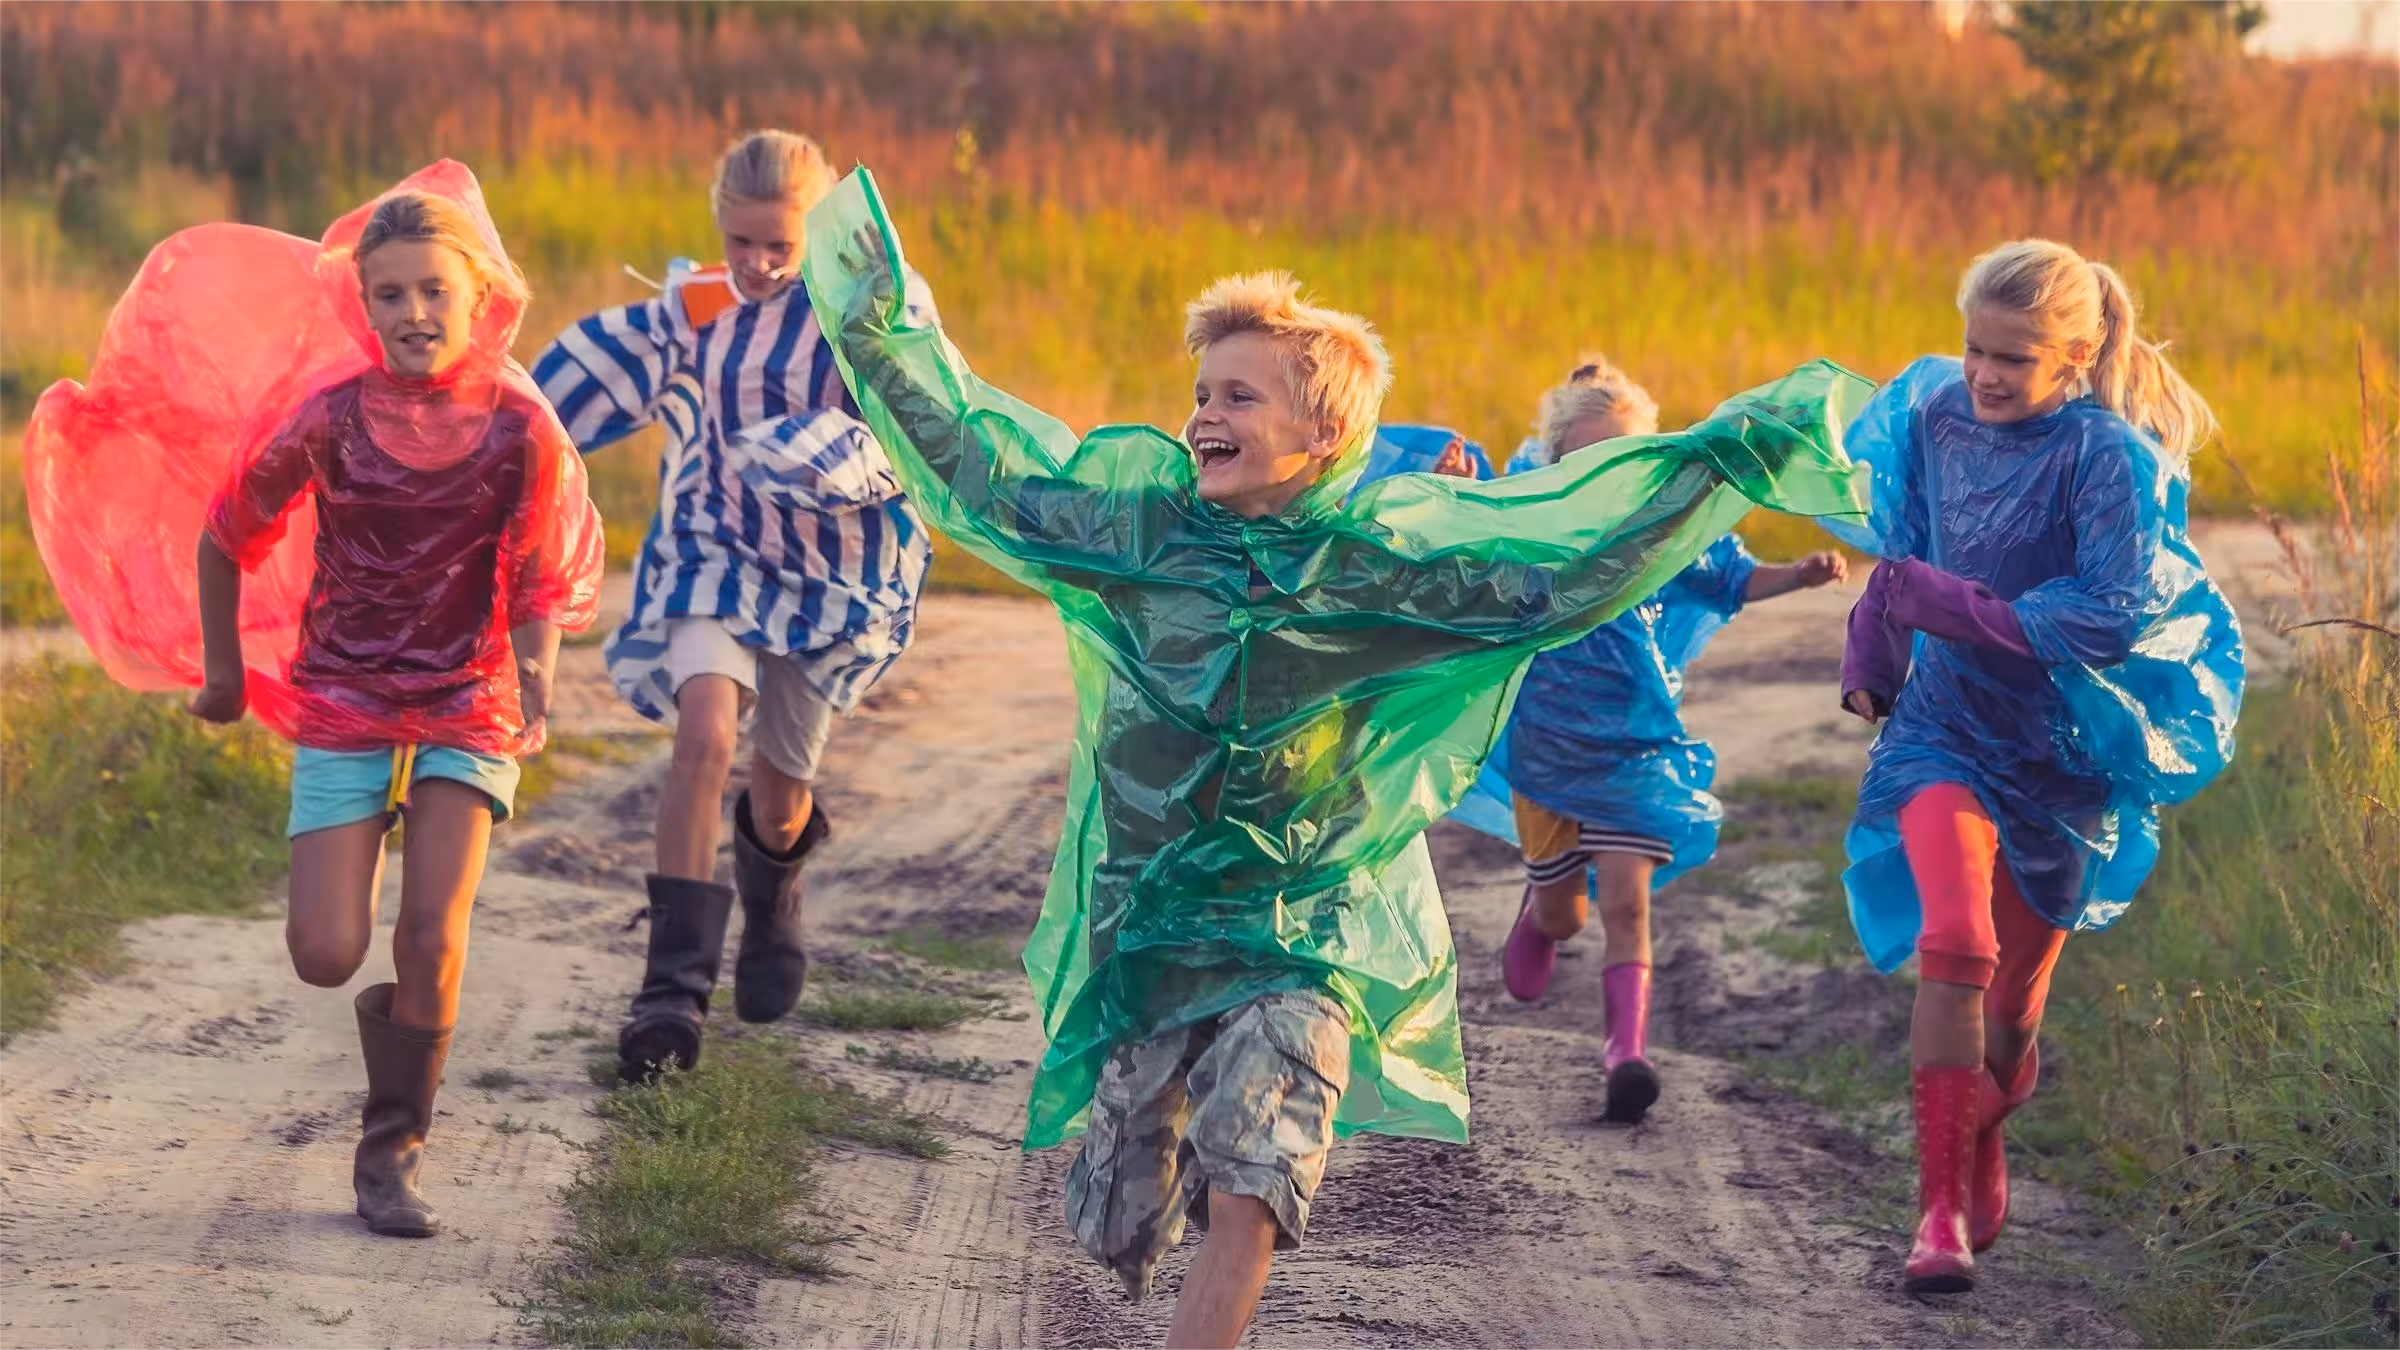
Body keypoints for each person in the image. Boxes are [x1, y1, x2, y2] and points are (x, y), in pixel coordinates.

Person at [801, 167, 1869, 1348]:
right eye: (1200, 393)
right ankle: (1157, 1155)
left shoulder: (1371, 572)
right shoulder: (1140, 532)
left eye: (1239, 396)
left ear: (1323, 437)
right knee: (1118, 1220)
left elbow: (1555, 579)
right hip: (1151, 921)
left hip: (1304, 930)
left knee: (1257, 1178)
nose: (1204, 415)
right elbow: (982, 470)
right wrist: (880, 330)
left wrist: (1719, 465)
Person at [27, 162, 605, 1238]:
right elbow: (223, 535)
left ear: (479, 295)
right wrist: (222, 675)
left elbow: (540, 573)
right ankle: (370, 848)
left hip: (469, 698)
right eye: (390, 293)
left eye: (434, 289)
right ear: (362, 305)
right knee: (326, 952)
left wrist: (539, 671)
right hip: (346, 690)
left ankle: (392, 1152)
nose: (414, 312)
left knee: (430, 934)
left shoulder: (521, 431)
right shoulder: (331, 419)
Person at [1832, 240, 2244, 1293]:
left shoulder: (2106, 457)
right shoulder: (1936, 418)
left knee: (2012, 1011)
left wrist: (1962, 608)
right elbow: (1906, 556)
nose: (1982, 373)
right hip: (1939, 731)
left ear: (2074, 355)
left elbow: (2107, 617)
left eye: (2012, 358)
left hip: (2061, 752)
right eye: (1974, 348)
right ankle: (1935, 1219)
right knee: (1955, 944)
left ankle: (1992, 1112)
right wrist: (1875, 647)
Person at [532, 131, 934, 1082]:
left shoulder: (860, 313)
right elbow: (572, 389)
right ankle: (670, 992)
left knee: (779, 794)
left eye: (777, 245)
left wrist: (831, 451)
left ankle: (774, 893)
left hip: (826, 573)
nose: (756, 264)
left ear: (813, 234)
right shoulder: (696, 312)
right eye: (740, 241)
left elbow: (916, 423)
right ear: (719, 226)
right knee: (704, 734)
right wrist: (497, 435)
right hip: (710, 550)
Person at [1485, 358, 1847, 1126]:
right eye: (1590, 459)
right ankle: (1540, 917)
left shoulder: (1666, 528)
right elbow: (1459, 565)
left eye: (1625, 458)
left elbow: (1730, 578)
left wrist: (1800, 575)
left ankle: (1626, 1055)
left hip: (1637, 749)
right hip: (1547, 755)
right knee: (1566, 917)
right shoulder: (1529, 525)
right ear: (1555, 459)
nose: (1609, 477)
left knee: (1627, 907)